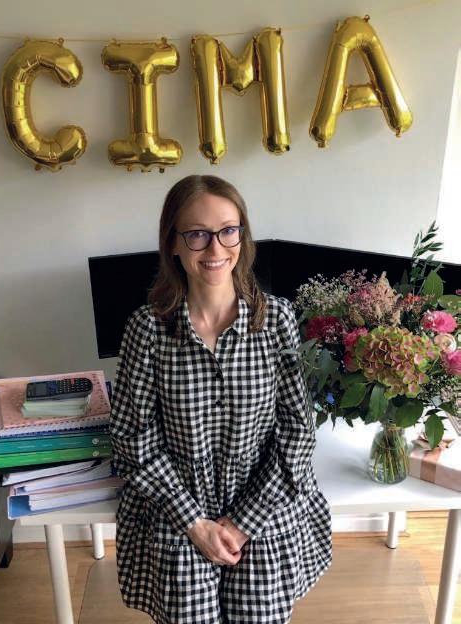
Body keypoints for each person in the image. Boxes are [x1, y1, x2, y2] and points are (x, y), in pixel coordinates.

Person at [109, 174, 333, 624]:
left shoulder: (277, 320)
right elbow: (133, 439)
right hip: (179, 508)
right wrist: (194, 523)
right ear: (173, 243)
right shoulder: (147, 330)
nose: (215, 248)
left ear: (242, 237)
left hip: (262, 503)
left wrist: (243, 521)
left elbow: (297, 432)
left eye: (228, 231)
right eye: (197, 234)